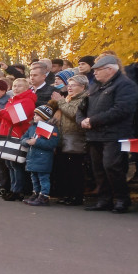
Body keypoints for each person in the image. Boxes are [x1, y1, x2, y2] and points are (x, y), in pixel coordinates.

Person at [78, 55, 138, 213]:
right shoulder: (95, 86)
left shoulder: (126, 85)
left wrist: (93, 120)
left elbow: (121, 110)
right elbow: (82, 106)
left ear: (110, 70)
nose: (95, 73)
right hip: (95, 134)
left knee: (112, 166)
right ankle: (104, 199)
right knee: (97, 168)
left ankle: (121, 199)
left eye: (98, 70)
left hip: (115, 134)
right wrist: (82, 120)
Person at [0, 78, 36, 201]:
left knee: (16, 164)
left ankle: (17, 190)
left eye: (19, 86)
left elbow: (17, 119)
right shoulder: (12, 100)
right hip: (7, 133)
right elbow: (4, 119)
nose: (15, 88)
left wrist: (1, 113)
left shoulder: (27, 100)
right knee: (9, 163)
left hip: (17, 134)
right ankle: (14, 188)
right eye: (14, 85)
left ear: (26, 88)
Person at [52, 75, 89, 205]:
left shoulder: (84, 98)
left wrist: (60, 102)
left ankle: (77, 196)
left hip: (76, 138)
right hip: (63, 138)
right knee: (65, 169)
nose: (70, 87)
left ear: (82, 87)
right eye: (69, 85)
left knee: (76, 170)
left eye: (73, 85)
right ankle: (67, 194)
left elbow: (74, 113)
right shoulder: (68, 98)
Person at [20, 104, 60, 205]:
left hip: (43, 158)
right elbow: (23, 138)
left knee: (43, 178)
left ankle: (44, 196)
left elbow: (52, 144)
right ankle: (36, 193)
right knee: (34, 177)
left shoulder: (51, 128)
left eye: (37, 115)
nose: (34, 117)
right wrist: (27, 141)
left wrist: (36, 142)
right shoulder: (32, 127)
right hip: (32, 157)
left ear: (44, 117)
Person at [124, 50, 138, 183]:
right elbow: (132, 90)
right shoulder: (128, 71)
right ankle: (124, 174)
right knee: (126, 145)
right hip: (128, 114)